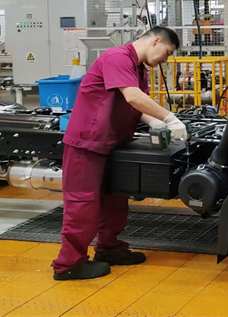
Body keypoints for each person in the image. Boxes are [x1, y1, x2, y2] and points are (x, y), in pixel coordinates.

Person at [51, 26, 187, 280]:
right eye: (167, 53)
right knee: (82, 205)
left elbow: (135, 106)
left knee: (115, 202)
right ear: (155, 41)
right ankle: (68, 264)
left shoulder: (138, 68)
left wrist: (155, 122)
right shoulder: (117, 57)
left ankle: (109, 249)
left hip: (113, 144)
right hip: (88, 143)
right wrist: (170, 118)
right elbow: (133, 96)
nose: (165, 61)